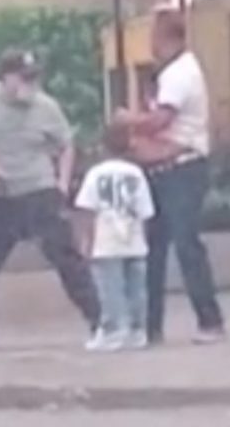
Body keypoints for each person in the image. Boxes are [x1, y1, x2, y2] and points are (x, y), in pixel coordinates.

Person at [0, 48, 100, 352]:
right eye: (23, 78)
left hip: (37, 189)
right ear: (5, 78)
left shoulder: (46, 107)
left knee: (66, 256)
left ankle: (99, 319)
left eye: (33, 79)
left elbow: (66, 144)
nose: (29, 86)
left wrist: (62, 181)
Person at [116, 7, 225, 345]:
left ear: (166, 37)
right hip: (164, 168)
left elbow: (160, 121)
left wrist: (128, 121)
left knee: (185, 243)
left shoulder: (179, 73)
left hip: (183, 169)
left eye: (153, 36)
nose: (151, 44)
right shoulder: (173, 72)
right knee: (154, 248)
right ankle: (151, 326)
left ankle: (209, 320)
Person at [74, 121, 154, 352]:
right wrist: (144, 238)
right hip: (133, 238)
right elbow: (146, 211)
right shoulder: (136, 174)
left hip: (106, 240)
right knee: (136, 289)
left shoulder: (96, 173)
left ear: (103, 146)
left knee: (110, 288)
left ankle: (113, 330)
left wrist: (85, 240)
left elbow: (87, 209)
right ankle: (137, 330)